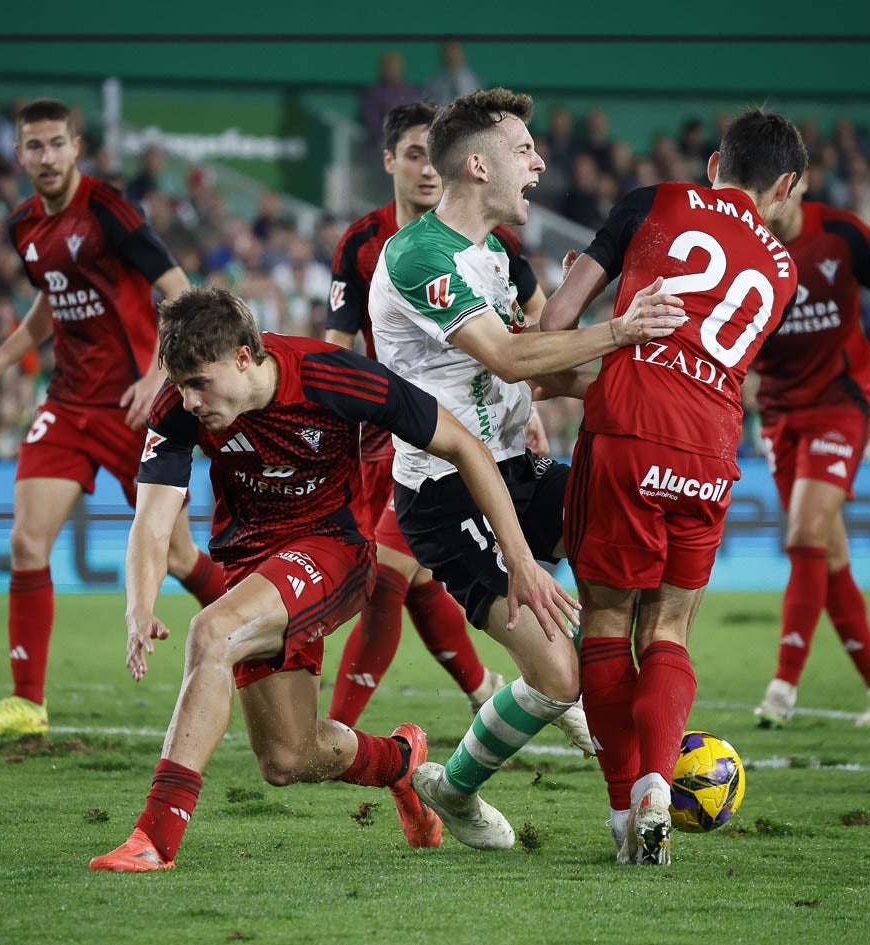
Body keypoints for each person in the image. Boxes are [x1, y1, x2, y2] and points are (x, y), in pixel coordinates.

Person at [89, 286, 579, 870]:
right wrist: (138, 607)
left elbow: (459, 443)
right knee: (286, 759)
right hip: (252, 563)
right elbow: (151, 522)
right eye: (182, 384)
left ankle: (153, 838)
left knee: (211, 632)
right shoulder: (178, 406)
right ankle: (401, 761)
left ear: (244, 358)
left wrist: (519, 556)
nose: (190, 400)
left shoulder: (333, 377)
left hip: (333, 551)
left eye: (201, 383)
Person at [369, 88, 685, 851]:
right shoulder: (418, 255)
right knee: (555, 671)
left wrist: (679, 382)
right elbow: (510, 355)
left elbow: (537, 373)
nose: (539, 162)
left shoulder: (498, 259)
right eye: (522, 149)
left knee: (644, 574)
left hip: (520, 465)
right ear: (477, 165)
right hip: (444, 493)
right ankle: (451, 788)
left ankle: (644, 775)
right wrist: (619, 329)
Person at [540, 107, 808, 865]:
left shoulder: (653, 202)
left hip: (628, 432)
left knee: (603, 623)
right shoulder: (782, 270)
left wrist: (564, 306)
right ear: (783, 184)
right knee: (667, 628)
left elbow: (558, 323)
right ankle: (662, 780)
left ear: (715, 164)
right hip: (710, 449)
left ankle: (627, 811)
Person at [0, 98, 225, 738]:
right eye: (33, 146)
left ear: (76, 147)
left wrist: (158, 374)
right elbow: (52, 301)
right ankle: (27, 704)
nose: (45, 157)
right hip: (69, 403)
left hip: (132, 409)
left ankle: (269, 638)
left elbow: (180, 290)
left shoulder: (108, 209)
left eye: (56, 144)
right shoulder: (23, 225)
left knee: (181, 556)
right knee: (26, 542)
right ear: (18, 154)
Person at [325, 101, 549, 728]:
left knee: (395, 576)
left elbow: (535, 323)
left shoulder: (495, 247)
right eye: (415, 155)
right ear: (391, 161)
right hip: (385, 433)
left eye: (434, 155)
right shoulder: (369, 244)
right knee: (414, 578)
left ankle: (342, 730)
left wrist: (526, 399)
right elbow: (339, 342)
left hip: (451, 440)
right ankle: (489, 688)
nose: (427, 170)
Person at [751, 173, 870, 731]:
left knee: (804, 533)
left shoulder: (844, 235)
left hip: (841, 402)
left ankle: (782, 690)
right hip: (779, 412)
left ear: (798, 184)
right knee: (827, 555)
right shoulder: (742, 245)